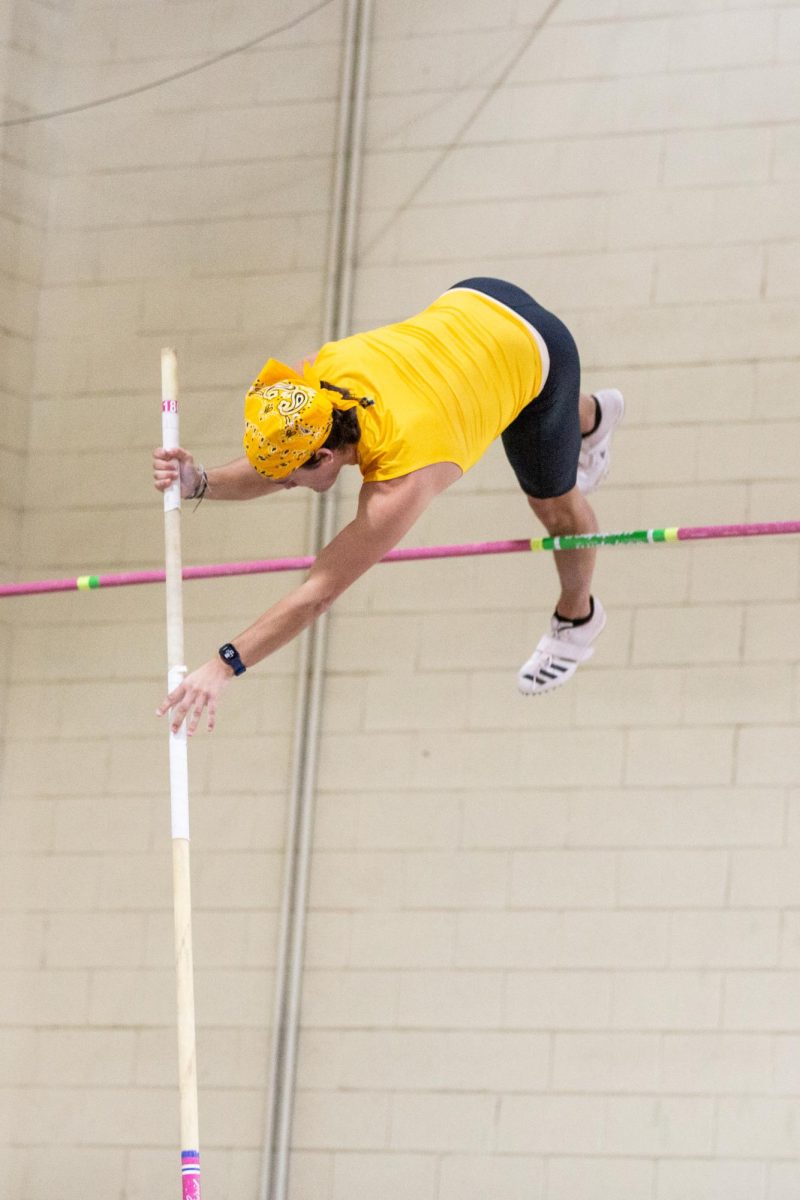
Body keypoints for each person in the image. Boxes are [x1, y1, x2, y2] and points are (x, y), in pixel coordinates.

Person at [154, 277, 623, 735]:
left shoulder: (404, 475)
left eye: (290, 477)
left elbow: (319, 591)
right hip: (479, 297)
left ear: (323, 455)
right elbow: (279, 459)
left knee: (554, 505)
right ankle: (591, 416)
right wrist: (201, 483)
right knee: (513, 407)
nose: (287, 485)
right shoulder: (312, 385)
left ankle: (577, 619)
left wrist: (223, 664)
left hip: (538, 353)